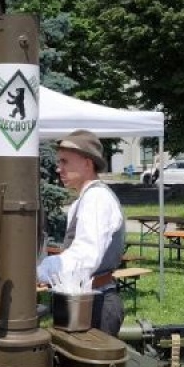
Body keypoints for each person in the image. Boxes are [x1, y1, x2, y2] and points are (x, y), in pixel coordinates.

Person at [35, 130, 126, 335]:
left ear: (87, 163)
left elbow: (85, 256)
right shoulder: (84, 200)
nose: (59, 169)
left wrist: (38, 271)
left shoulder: (96, 199)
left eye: (65, 162)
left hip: (97, 305)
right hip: (85, 302)